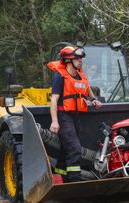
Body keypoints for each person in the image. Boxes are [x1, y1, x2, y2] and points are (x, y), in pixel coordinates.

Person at [47, 45, 102, 182]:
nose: (80, 61)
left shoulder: (80, 74)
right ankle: (74, 181)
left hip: (75, 115)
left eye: (80, 58)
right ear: (68, 60)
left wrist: (94, 99)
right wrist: (55, 121)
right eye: (77, 58)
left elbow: (86, 86)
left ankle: (59, 176)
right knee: (75, 149)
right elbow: (54, 100)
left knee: (66, 148)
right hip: (63, 116)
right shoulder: (60, 77)